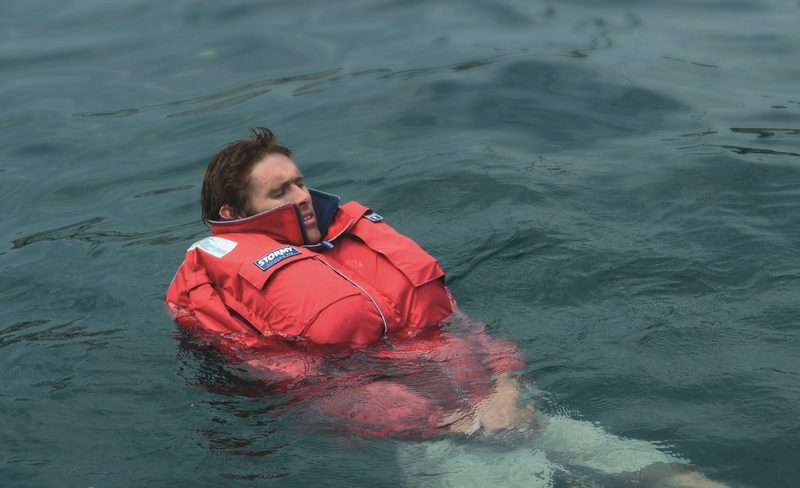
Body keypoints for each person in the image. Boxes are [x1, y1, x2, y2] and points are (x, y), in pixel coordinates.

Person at [166, 127, 731, 487]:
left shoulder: (357, 241)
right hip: (435, 437)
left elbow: (462, 325)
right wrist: (446, 424)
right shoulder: (218, 285)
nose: (302, 198)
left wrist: (509, 390)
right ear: (232, 211)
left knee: (678, 477)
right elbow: (298, 383)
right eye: (279, 192)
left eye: (301, 182)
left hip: (497, 405)